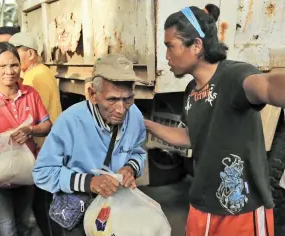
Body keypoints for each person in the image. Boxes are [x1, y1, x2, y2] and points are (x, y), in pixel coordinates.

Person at [144, 4, 285, 236]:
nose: (167, 56)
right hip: (201, 206)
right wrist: (145, 123)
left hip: (240, 211)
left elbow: (267, 86)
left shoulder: (235, 76)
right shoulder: (191, 90)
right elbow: (190, 137)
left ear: (196, 46)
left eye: (171, 47)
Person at [33, 53, 147, 236]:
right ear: (92, 94)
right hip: (78, 212)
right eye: (112, 99)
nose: (121, 109)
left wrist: (130, 168)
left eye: (128, 99)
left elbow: (138, 152)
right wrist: (89, 182)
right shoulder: (69, 122)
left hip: (115, 209)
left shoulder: (135, 116)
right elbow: (42, 172)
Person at [0, 42, 52, 236]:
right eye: (2, 66)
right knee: (6, 230)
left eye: (14, 65)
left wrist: (30, 130)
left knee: (23, 225)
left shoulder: (30, 93)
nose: (9, 71)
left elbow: (47, 125)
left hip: (24, 174)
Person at [9, 32, 62, 236]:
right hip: (43, 145)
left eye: (16, 53)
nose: (11, 60)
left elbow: (35, 116)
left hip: (43, 146)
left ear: (30, 53)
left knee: (44, 203)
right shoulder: (36, 73)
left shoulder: (36, 77)